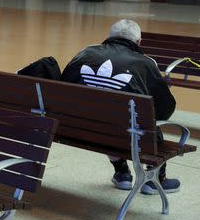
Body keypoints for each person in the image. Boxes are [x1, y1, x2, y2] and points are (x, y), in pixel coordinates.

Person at [61, 19, 179, 194]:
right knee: (147, 125)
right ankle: (154, 180)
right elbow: (164, 110)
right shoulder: (146, 63)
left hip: (79, 130)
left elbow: (64, 86)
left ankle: (122, 173)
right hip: (128, 136)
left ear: (109, 37)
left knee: (103, 116)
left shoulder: (85, 53)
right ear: (139, 42)